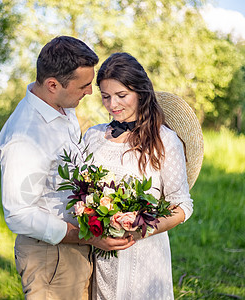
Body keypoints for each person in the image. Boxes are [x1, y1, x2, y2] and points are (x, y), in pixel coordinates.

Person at [0, 37, 135, 300]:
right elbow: (19, 214)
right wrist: (87, 238)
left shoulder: (62, 109)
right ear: (52, 85)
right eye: (83, 86)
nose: (90, 92)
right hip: (50, 257)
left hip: (73, 249)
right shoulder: (26, 137)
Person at [84, 52, 203, 299]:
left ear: (141, 92)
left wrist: (142, 228)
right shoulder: (93, 137)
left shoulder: (165, 140)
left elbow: (182, 206)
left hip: (145, 259)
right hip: (101, 256)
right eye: (105, 97)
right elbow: (80, 190)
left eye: (121, 95)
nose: (112, 105)